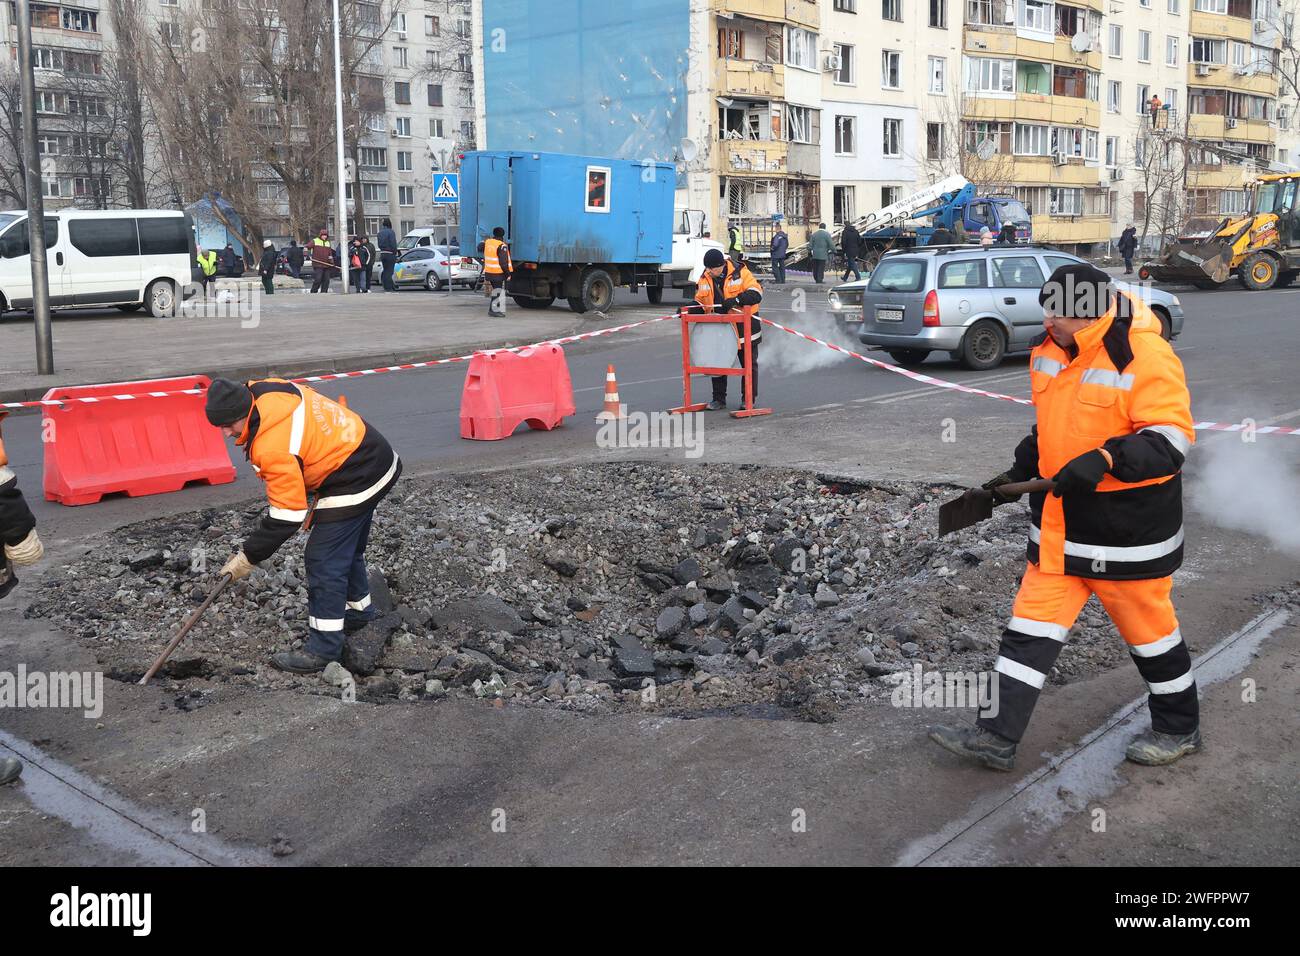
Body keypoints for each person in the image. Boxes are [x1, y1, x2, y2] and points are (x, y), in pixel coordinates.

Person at [930, 262, 1199, 771]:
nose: (1047, 317)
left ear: (1088, 313)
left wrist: (1105, 460)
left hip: (1125, 534)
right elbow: (1050, 426)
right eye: (1048, 306)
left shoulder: (1144, 355)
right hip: (1059, 533)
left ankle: (1179, 728)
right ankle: (995, 737)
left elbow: (1171, 441)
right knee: (1027, 633)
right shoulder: (1049, 351)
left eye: (1058, 310)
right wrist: (1018, 470)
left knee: (1152, 637)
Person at [204, 378, 402, 674]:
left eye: (228, 424)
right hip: (371, 453)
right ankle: (360, 612)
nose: (226, 433)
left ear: (245, 412)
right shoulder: (267, 389)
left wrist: (248, 556)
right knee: (344, 549)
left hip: (357, 474)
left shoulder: (272, 445)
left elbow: (288, 515)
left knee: (323, 558)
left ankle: (323, 651)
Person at [687, 248, 762, 411]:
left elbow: (756, 293)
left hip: (744, 328)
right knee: (718, 361)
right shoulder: (705, 277)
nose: (707, 271)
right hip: (720, 328)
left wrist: (735, 300)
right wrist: (689, 309)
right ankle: (719, 399)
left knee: (748, 364)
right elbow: (701, 302)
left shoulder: (740, 272)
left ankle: (748, 399)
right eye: (706, 268)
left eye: (710, 268)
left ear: (720, 266)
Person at [480, 226, 512, 316]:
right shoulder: (501, 245)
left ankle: (493, 310)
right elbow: (503, 262)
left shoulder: (488, 242)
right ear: (503, 235)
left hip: (489, 272)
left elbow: (479, 247)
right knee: (498, 291)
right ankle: (494, 311)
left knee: (496, 291)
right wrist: (508, 274)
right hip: (497, 273)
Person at [377, 219, 398, 292]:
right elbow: (393, 243)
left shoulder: (379, 233)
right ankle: (389, 287)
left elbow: (379, 244)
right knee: (389, 272)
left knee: (385, 271)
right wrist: (395, 252)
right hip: (390, 253)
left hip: (383, 253)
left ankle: (387, 286)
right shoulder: (391, 232)